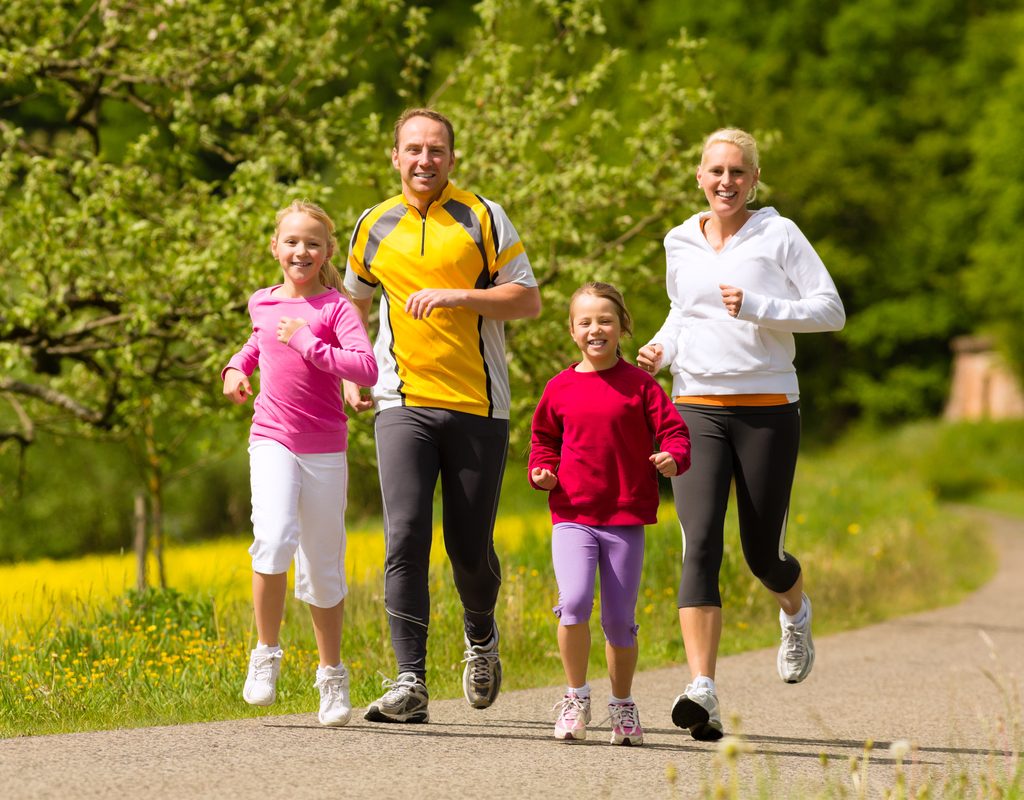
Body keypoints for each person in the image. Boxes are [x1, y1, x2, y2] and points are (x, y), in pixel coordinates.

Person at [637, 128, 845, 741]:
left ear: (754, 180)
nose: (725, 181)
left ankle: (795, 610)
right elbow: (684, 310)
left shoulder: (779, 234)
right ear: (699, 176)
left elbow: (830, 309)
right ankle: (701, 686)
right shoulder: (679, 239)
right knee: (698, 542)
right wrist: (661, 347)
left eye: (738, 172)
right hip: (695, 405)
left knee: (761, 553)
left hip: (767, 407)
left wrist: (760, 306)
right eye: (715, 171)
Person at [343, 108, 541, 723]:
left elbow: (527, 299)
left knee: (469, 548)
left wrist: (461, 296)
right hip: (402, 401)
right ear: (394, 157)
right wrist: (354, 370)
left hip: (479, 405)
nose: (424, 160)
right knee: (404, 535)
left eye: (436, 150)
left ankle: (480, 637)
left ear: (451, 159)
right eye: (413, 149)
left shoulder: (482, 215)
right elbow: (351, 299)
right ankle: (410, 681)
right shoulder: (372, 224)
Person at [222, 200, 378, 727]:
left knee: (322, 566)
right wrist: (235, 368)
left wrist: (310, 343)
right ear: (275, 247)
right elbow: (257, 342)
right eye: (291, 241)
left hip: (325, 445)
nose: (301, 251)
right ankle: (266, 652)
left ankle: (331, 673)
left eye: (312, 243)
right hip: (271, 435)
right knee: (273, 536)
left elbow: (365, 366)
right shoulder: (260, 303)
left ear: (327, 251)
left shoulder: (335, 309)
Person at [529, 282, 691, 746]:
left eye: (605, 320)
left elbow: (675, 432)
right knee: (575, 602)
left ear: (622, 327)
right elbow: (543, 442)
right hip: (573, 514)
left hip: (624, 517)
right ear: (572, 331)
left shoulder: (641, 386)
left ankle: (622, 706)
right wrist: (542, 471)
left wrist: (672, 458)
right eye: (585, 322)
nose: (595, 329)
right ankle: (576, 698)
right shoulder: (559, 388)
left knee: (619, 621)